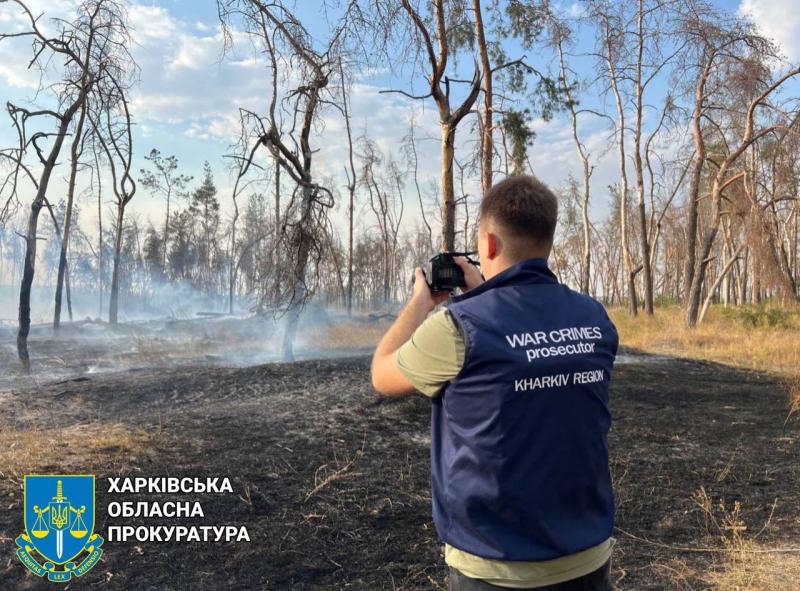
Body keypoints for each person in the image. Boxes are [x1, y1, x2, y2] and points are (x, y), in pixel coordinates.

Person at [370, 175, 619, 590]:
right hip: (587, 559)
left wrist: (420, 301)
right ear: (548, 239)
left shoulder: (458, 327)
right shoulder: (595, 318)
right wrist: (488, 294)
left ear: (486, 244)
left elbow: (382, 374)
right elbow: (533, 355)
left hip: (494, 567)